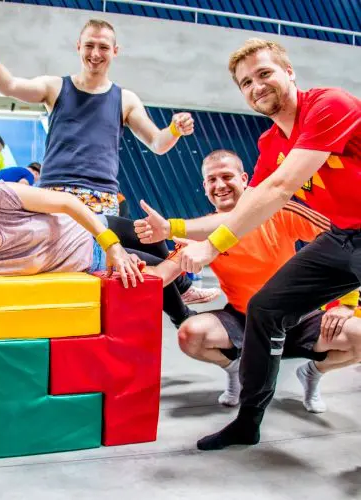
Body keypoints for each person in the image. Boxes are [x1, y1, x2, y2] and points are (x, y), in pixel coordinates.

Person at [142, 38, 360, 450]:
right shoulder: (269, 144)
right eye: (245, 83)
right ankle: (248, 422)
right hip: (345, 235)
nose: (256, 86)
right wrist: (173, 235)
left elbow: (279, 188)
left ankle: (314, 374)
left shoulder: (329, 105)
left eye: (264, 74)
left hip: (348, 237)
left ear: (289, 72)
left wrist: (210, 247)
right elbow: (252, 204)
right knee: (266, 307)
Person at [0, 180, 212, 435]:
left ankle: (187, 288)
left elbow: (67, 204)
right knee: (156, 279)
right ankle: (186, 277)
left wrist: (113, 246)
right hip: (90, 262)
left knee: (158, 243)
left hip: (98, 231)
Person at [0, 18, 220, 306]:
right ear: (78, 47)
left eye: (103, 47)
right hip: (57, 199)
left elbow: (157, 143)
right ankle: (182, 293)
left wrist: (174, 129)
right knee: (137, 252)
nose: (95, 53)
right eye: (89, 45)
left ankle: (181, 295)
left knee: (146, 241)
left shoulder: (125, 99)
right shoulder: (55, 87)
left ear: (115, 51)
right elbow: (10, 85)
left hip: (102, 201)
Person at [135, 149, 360, 413]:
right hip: (244, 321)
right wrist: (124, 260)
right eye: (212, 180)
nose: (220, 185)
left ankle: (313, 373)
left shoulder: (280, 210)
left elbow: (346, 240)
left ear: (244, 179)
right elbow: (161, 276)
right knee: (190, 334)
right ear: (205, 188)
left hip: (301, 317)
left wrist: (345, 304)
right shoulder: (200, 232)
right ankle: (236, 370)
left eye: (227, 176)